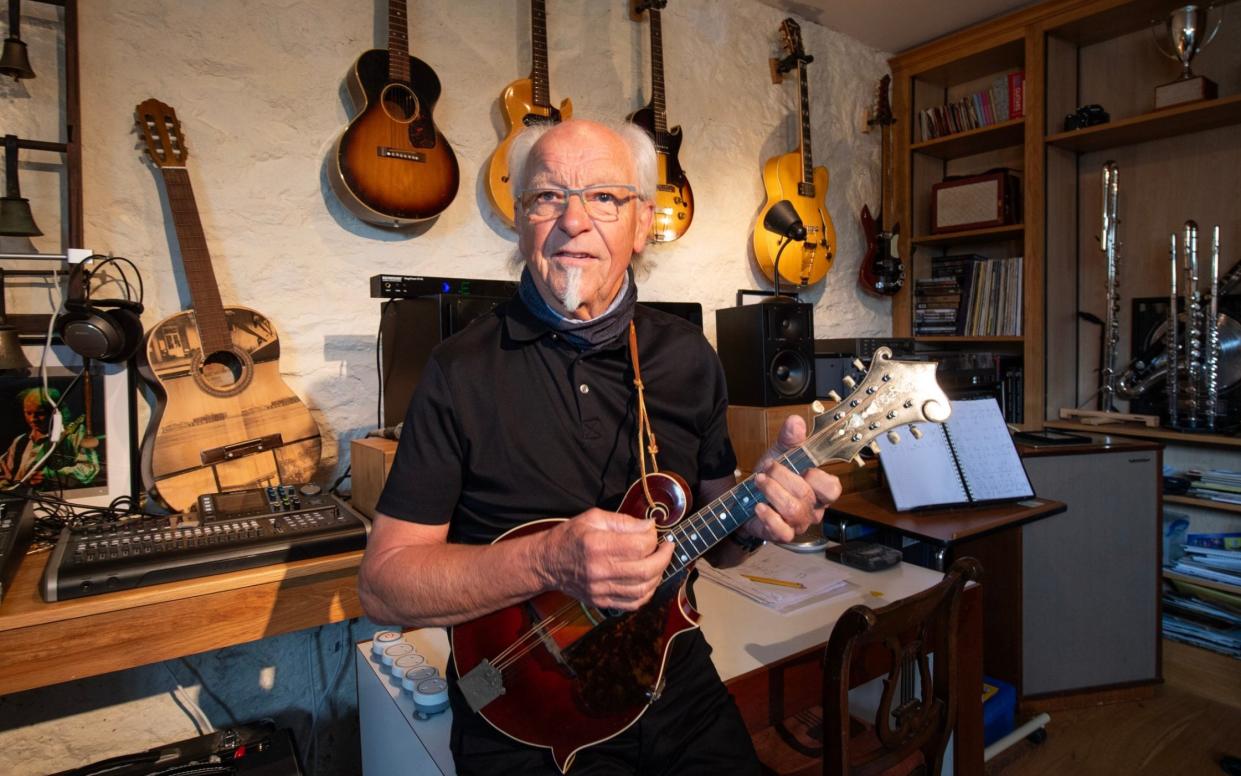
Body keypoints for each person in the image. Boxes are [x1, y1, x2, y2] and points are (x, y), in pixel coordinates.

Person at [357, 118, 841, 775]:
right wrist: (550, 562)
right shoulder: (458, 369)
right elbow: (385, 587)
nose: (573, 220)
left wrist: (759, 512)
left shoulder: (687, 358)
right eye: (547, 196)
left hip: (672, 683)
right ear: (520, 220)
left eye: (604, 198)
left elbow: (720, 544)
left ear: (642, 222)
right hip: (523, 708)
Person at [0, 387, 100, 489]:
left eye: (40, 413)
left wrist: (49, 475)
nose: (32, 419)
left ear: (55, 412)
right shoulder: (20, 441)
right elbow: (5, 474)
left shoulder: (74, 435)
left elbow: (90, 469)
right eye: (28, 413)